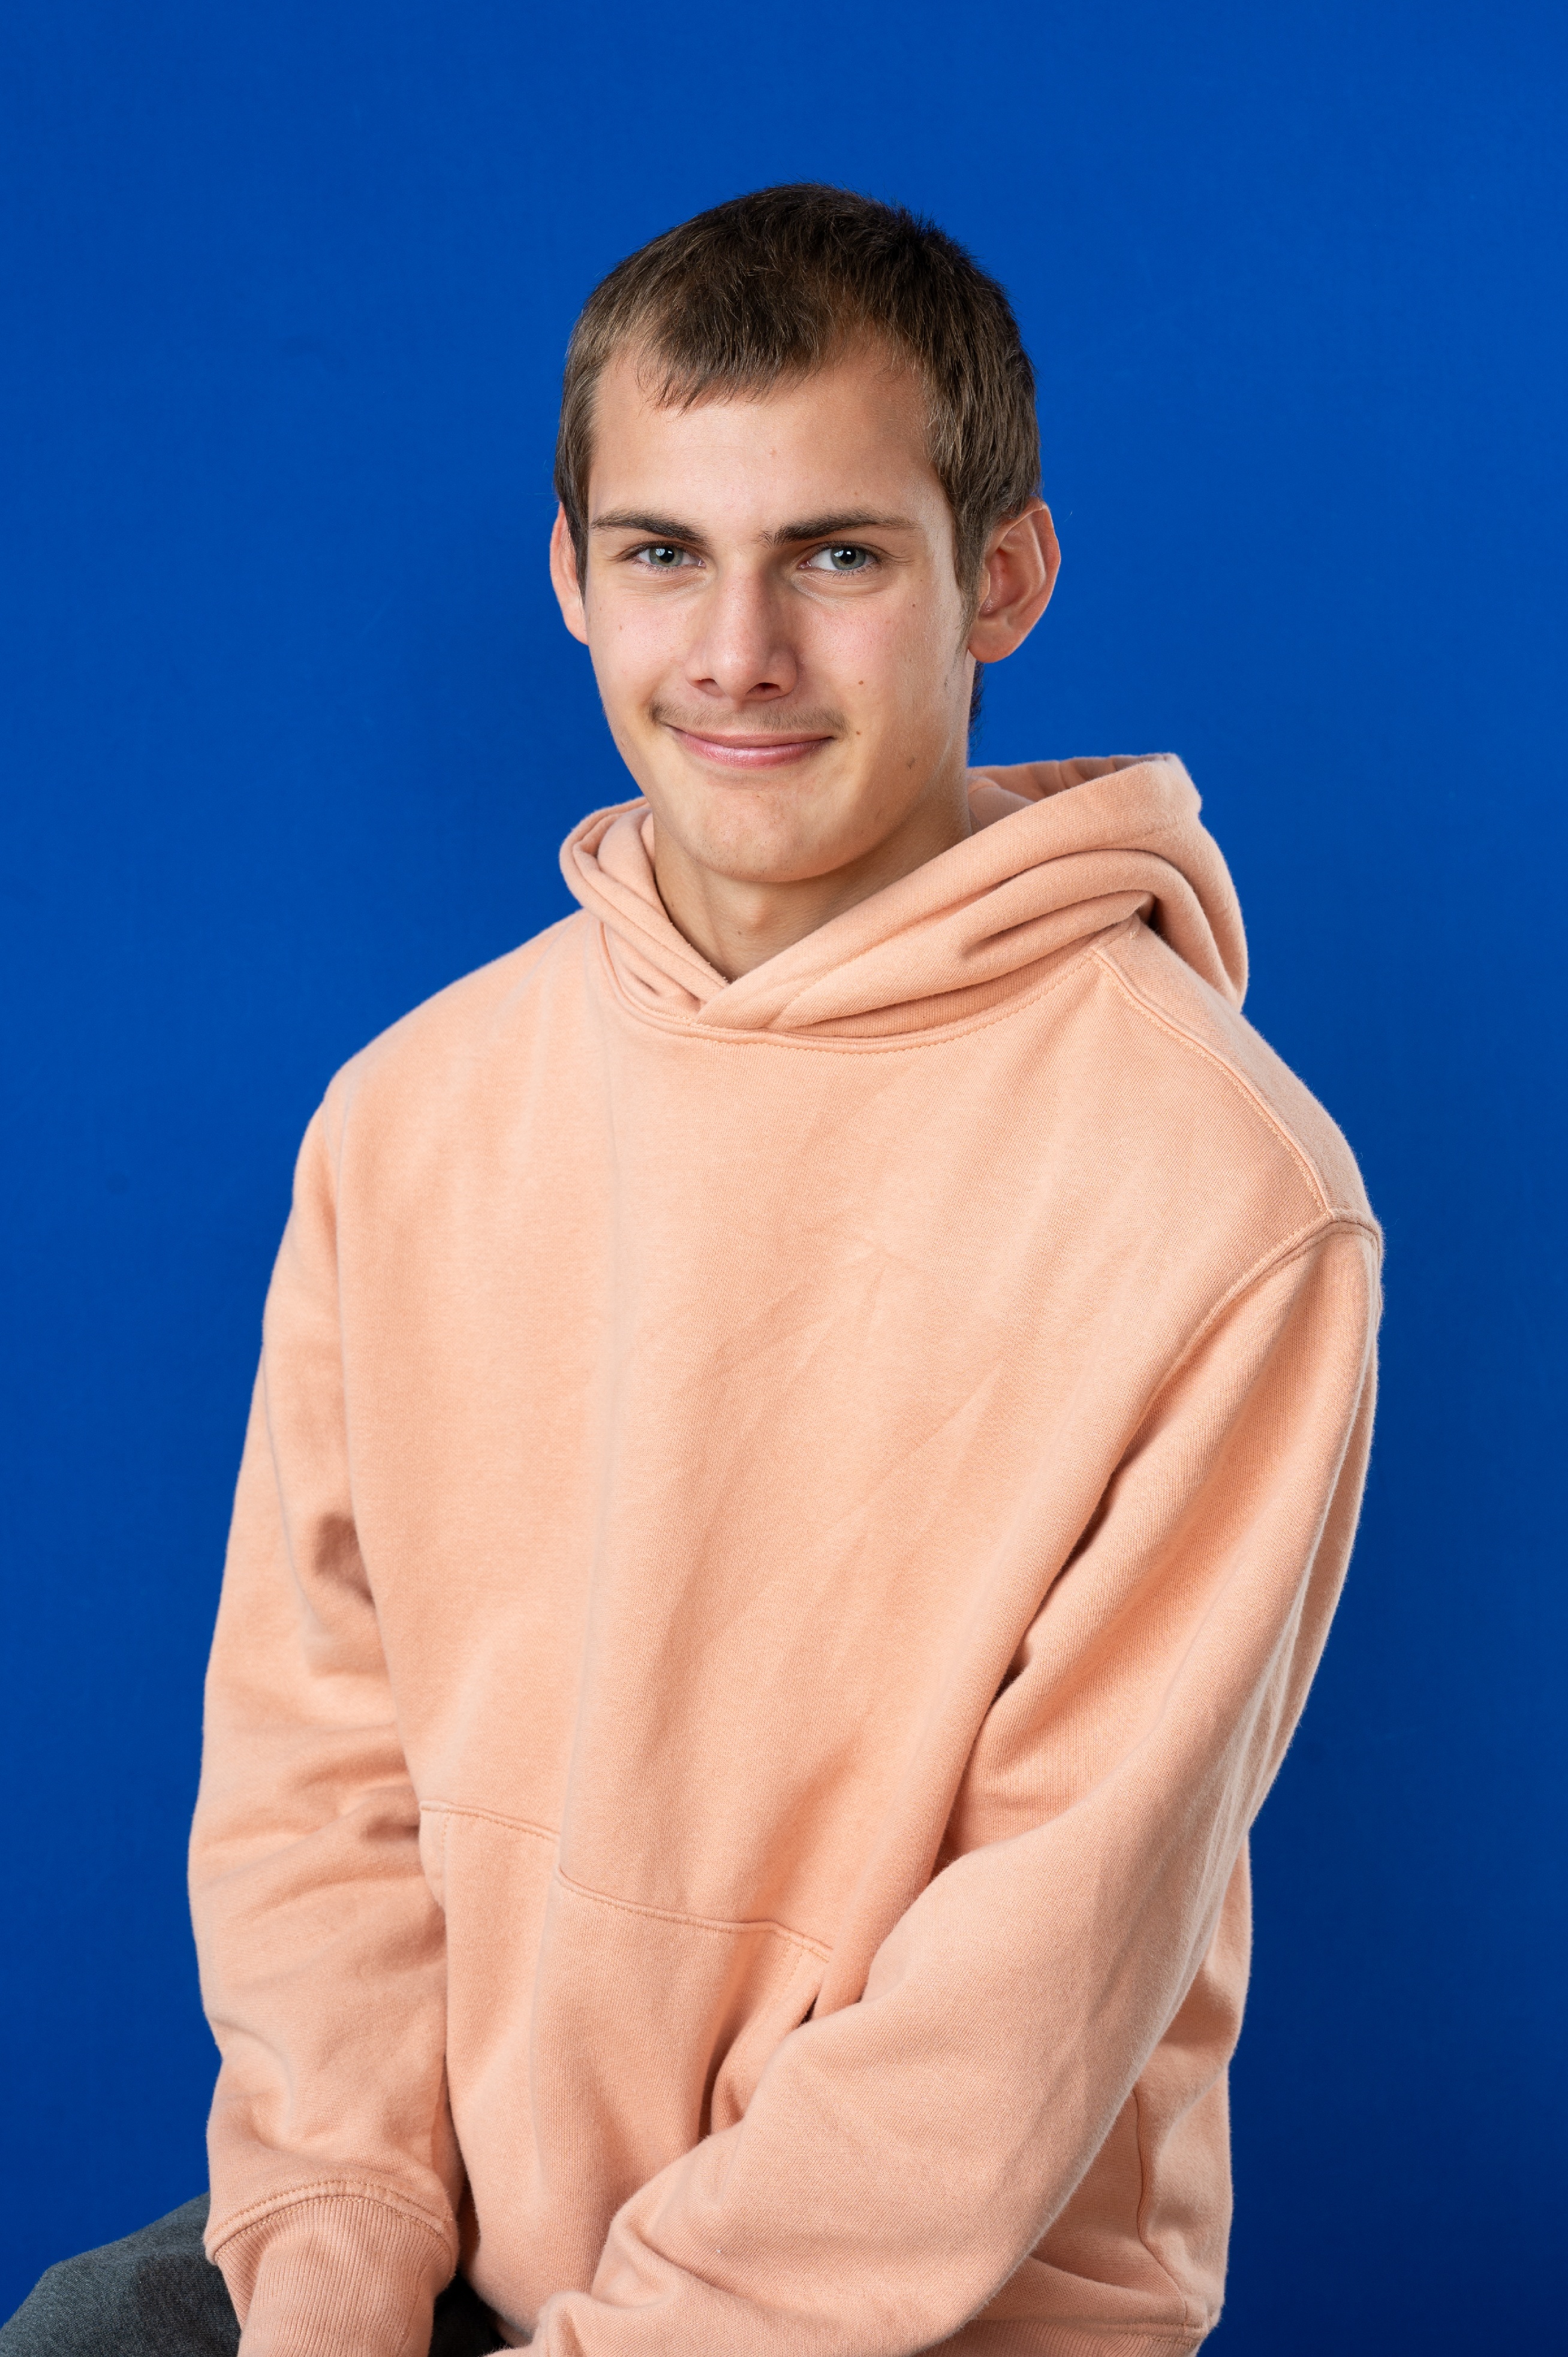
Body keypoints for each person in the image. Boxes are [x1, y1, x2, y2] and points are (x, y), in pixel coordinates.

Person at [2, 183, 1381, 2357]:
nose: (736, 653)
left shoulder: (1225, 1197)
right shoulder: (413, 1112)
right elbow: (313, 1770)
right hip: (454, 2221)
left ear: (1000, 578)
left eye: (835, 557)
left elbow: (1021, 1990)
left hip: (916, 2299)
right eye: (663, 552)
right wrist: (340, 2259)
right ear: (571, 575)